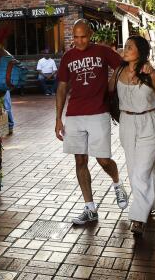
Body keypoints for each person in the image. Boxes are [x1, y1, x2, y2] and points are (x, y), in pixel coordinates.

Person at [55, 19, 131, 225]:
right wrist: (58, 119)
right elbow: (62, 88)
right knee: (80, 161)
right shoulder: (68, 57)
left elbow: (123, 68)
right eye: (76, 37)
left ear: (90, 35)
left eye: (83, 36)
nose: (79, 41)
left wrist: (111, 85)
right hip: (75, 115)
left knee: (103, 159)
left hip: (99, 113)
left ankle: (117, 184)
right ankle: (90, 208)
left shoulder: (103, 51)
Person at [111, 35, 155, 235]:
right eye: (124, 46)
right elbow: (108, 92)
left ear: (141, 51)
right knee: (136, 169)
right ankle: (148, 203)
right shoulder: (119, 71)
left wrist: (151, 116)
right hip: (127, 123)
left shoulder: (149, 73)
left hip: (148, 124)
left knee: (141, 173)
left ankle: (138, 217)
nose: (125, 49)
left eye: (130, 47)